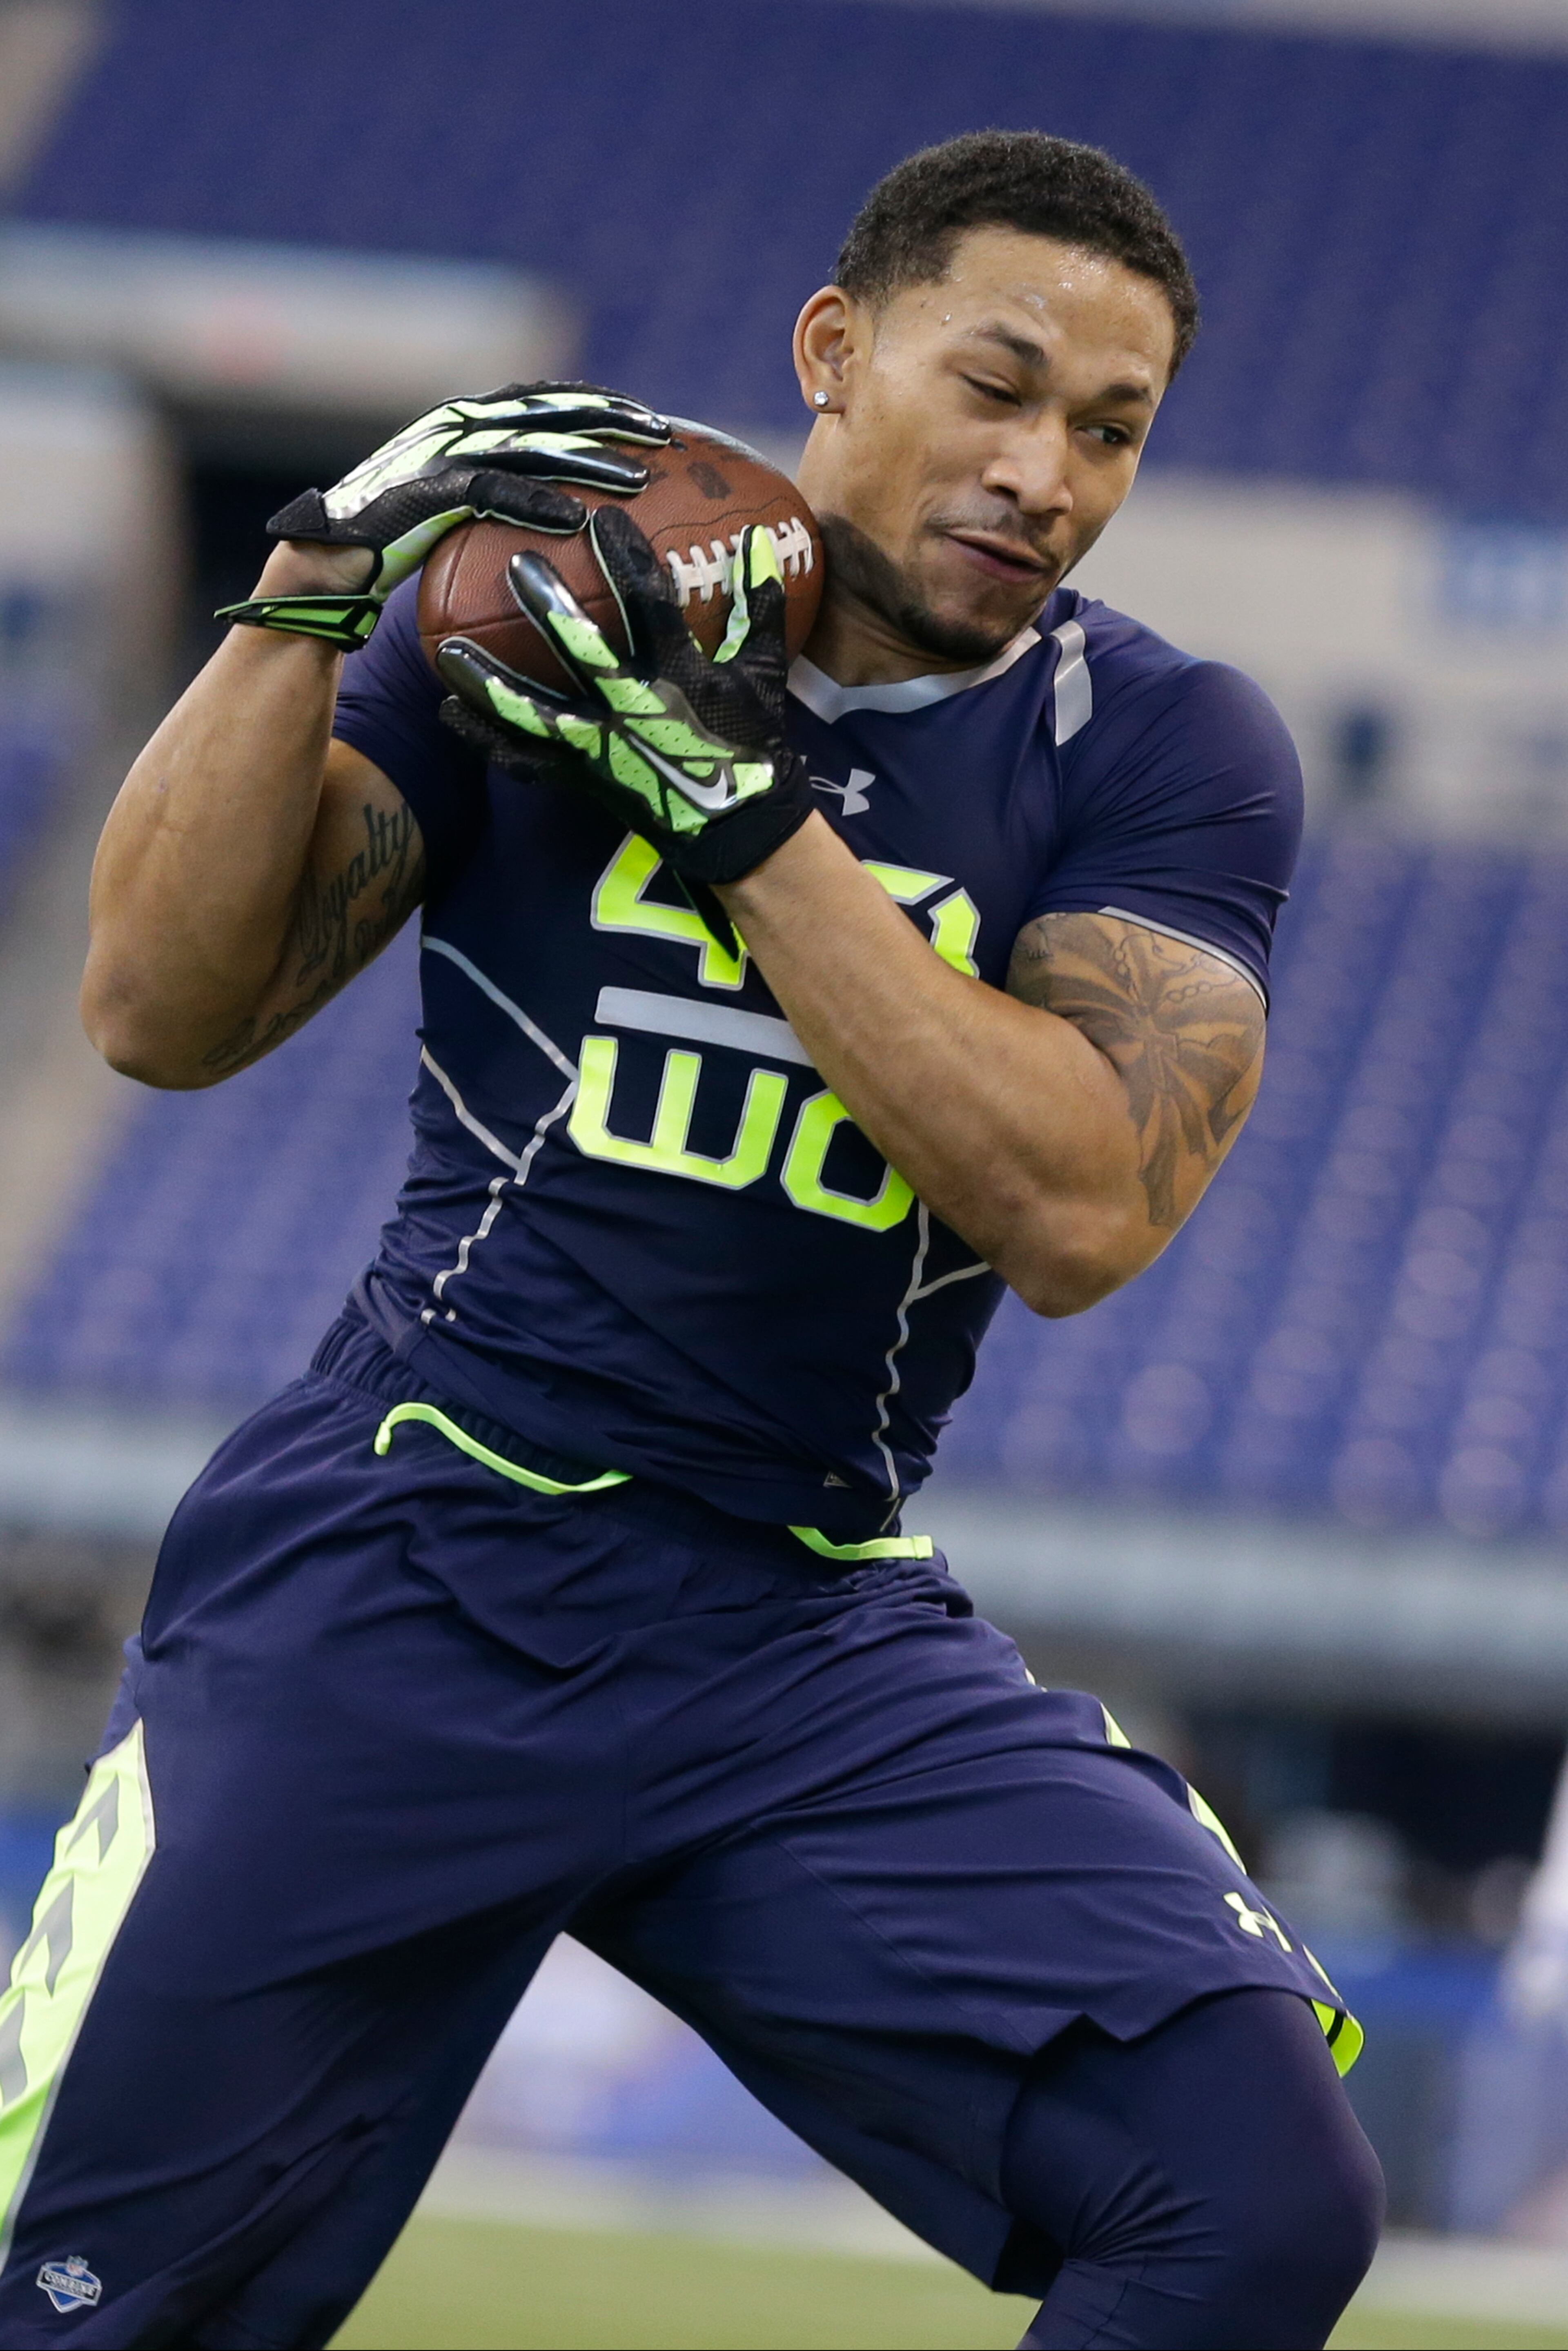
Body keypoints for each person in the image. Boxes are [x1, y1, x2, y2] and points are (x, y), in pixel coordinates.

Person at [0, 131, 1382, 2349]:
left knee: (1246, 2196)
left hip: (792, 1627)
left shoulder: (1166, 741)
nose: (1049, 473)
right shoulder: (533, 626)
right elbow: (158, 1013)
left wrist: (731, 798)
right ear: (835, 352)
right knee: (77, 2313)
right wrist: (318, 572)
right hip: (405, 1564)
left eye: (1111, 431)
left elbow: (1080, 1206)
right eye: (999, 388)